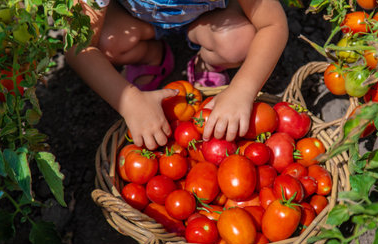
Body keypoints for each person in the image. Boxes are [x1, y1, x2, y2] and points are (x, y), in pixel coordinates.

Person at [66, 0, 288, 150]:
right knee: (108, 43)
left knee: (238, 42)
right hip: (134, 21)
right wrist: (128, 100)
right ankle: (150, 55)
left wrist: (242, 90)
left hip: (208, 19)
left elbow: (272, 24)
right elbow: (77, 48)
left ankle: (208, 63)